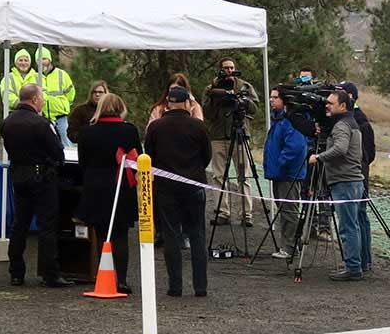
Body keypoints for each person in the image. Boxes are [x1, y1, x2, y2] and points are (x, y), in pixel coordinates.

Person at [145, 84, 214, 297]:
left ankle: (175, 286)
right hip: (193, 184)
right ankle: (200, 286)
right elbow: (207, 156)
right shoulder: (198, 126)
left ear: (168, 104)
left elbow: (149, 155)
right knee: (197, 234)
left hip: (166, 187)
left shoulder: (156, 127)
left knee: (171, 235)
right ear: (186, 103)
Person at [1, 81, 68, 287]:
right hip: (41, 177)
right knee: (47, 225)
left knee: (19, 224)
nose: (43, 101)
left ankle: (16, 272)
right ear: (35, 99)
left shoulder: (7, 122)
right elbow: (57, 151)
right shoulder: (41, 124)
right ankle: (50, 273)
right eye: (42, 98)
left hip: (19, 176)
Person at [77, 92, 140, 294]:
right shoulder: (129, 131)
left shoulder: (87, 132)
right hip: (121, 186)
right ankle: (121, 280)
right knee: (121, 234)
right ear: (121, 108)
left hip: (95, 186)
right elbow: (137, 158)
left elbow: (82, 162)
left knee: (101, 233)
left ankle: (104, 275)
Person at [309, 88, 366, 281]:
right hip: (352, 180)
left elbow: (340, 149)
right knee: (353, 225)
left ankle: (353, 267)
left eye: (330, 103)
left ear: (342, 106)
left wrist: (319, 157)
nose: (326, 106)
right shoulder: (351, 123)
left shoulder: (341, 125)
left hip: (345, 181)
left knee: (347, 227)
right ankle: (355, 264)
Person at [205, 56, 259, 226]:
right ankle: (222, 212)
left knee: (244, 176)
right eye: (226, 68)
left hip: (240, 134)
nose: (229, 70)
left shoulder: (244, 86)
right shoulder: (211, 88)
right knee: (218, 176)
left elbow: (255, 108)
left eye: (231, 67)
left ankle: (246, 214)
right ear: (220, 70)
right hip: (218, 136)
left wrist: (240, 99)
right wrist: (216, 97)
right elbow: (207, 113)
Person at [262, 86, 313, 259]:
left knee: (289, 211)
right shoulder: (278, 119)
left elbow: (295, 147)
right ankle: (289, 245)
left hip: (288, 174)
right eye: (271, 97)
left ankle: (290, 247)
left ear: (285, 100)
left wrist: (280, 164)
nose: (271, 100)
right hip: (280, 173)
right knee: (284, 209)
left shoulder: (291, 120)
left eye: (275, 97)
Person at [344, 82, 377, 270]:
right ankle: (361, 259)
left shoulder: (359, 121)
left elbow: (369, 153)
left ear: (349, 96)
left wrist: (360, 166)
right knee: (357, 215)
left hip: (357, 173)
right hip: (356, 172)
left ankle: (363, 260)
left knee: (359, 214)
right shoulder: (350, 119)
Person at [36, 48, 77, 150]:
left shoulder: (61, 74)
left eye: (44, 59)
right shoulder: (35, 77)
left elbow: (70, 93)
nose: (41, 62)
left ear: (50, 60)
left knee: (66, 143)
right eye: (38, 60)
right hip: (43, 117)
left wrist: (64, 106)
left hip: (60, 117)